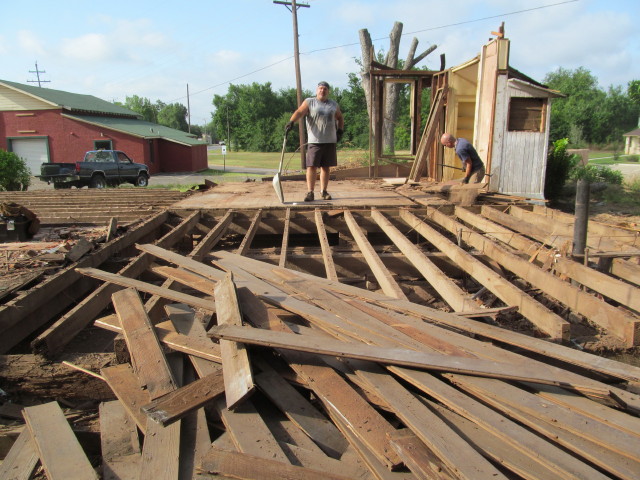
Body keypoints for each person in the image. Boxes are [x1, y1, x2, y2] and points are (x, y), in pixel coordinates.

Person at [286, 81, 344, 201]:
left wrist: (340, 131)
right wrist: (291, 121)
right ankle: (310, 192)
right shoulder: (309, 102)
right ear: (317, 90)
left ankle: (324, 192)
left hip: (329, 141)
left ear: (328, 91)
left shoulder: (333, 104)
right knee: (311, 166)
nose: (322, 91)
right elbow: (300, 112)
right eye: (320, 88)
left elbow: (340, 117)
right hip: (315, 141)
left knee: (326, 167)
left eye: (325, 89)